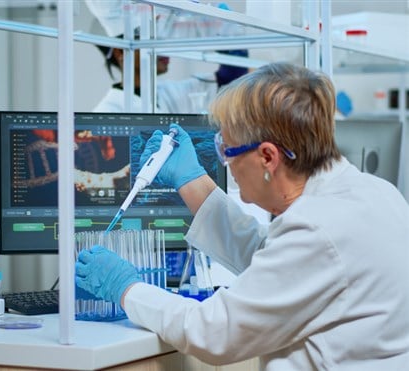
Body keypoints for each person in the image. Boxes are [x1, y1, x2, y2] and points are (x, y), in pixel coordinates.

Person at [76, 62, 409, 369]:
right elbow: (279, 264)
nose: (225, 163)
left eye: (227, 150)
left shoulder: (317, 228)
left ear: (267, 157)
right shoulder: (377, 194)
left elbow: (215, 332)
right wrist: (193, 183)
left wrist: (127, 288)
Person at [92, 37, 248, 113]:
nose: (163, 48)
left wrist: (213, 28)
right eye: (152, 39)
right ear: (121, 51)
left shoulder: (167, 91)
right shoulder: (108, 110)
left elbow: (231, 78)